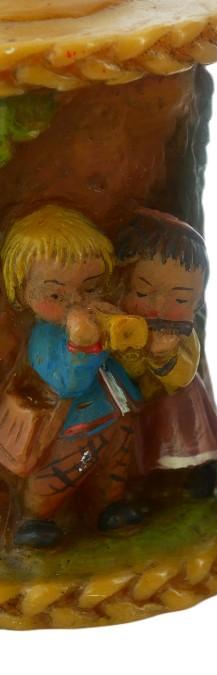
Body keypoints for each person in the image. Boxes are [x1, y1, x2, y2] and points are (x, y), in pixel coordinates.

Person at [1, 205, 143, 548]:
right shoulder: (46, 338)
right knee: (59, 474)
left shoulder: (97, 319)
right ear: (23, 293)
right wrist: (82, 345)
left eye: (90, 288)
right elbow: (70, 383)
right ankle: (37, 518)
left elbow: (122, 365)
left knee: (115, 466)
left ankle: (110, 504)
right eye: (56, 295)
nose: (76, 302)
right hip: (74, 426)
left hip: (116, 415)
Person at [113, 208, 217, 498]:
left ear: (196, 302)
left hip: (168, 394)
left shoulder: (182, 337)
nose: (159, 307)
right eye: (142, 293)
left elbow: (183, 373)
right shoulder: (119, 326)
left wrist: (165, 357)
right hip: (128, 398)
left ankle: (196, 468)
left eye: (180, 299)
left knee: (184, 399)